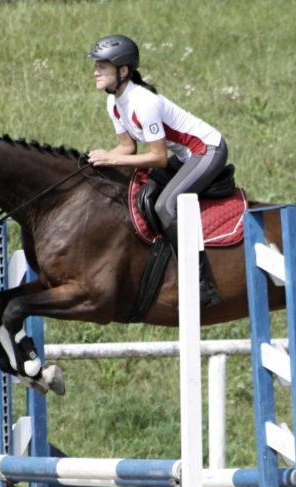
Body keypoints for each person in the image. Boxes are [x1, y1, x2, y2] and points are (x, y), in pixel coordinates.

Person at [86, 34, 226, 306]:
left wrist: (111, 160)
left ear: (123, 71)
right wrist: (94, 161)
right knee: (144, 194)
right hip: (186, 155)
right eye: (96, 66)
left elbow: (158, 158)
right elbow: (126, 147)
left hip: (208, 150)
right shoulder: (113, 103)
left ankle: (201, 283)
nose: (95, 72)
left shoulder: (144, 102)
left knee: (165, 206)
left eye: (102, 67)